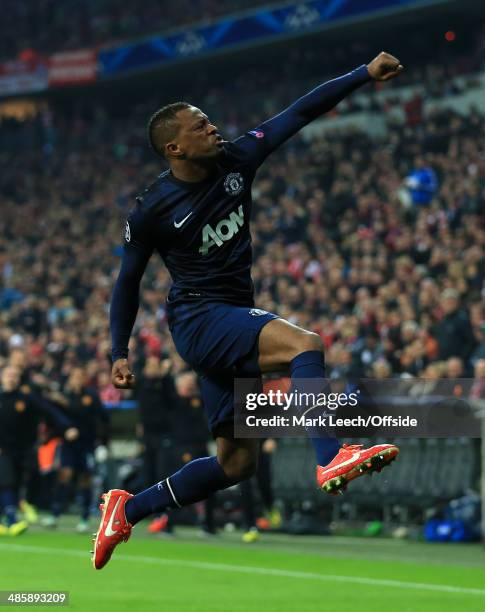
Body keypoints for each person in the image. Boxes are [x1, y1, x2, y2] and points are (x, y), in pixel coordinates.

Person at [93, 52, 403, 569]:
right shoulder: (152, 210)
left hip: (229, 316)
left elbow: (299, 113)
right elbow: (127, 282)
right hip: (199, 317)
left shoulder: (237, 160)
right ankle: (331, 457)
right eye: (200, 125)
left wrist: (362, 74)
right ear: (175, 147)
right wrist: (117, 351)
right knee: (307, 344)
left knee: (237, 463)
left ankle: (129, 507)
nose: (213, 128)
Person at [0, 365, 78, 536]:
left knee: (19, 483)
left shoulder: (27, 398)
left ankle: (6, 517)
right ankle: (12, 520)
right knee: (6, 481)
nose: (11, 378)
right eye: (8, 375)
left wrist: (67, 427)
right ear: (2, 377)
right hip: (3, 449)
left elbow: (50, 411)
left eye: (15, 375)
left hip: (24, 449)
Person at [44, 366, 109, 532]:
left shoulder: (90, 395)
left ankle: (85, 517)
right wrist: (64, 431)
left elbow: (103, 417)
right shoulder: (64, 396)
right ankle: (55, 513)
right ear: (71, 378)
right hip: (69, 443)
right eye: (75, 376)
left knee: (85, 478)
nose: (77, 379)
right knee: (65, 474)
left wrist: (102, 442)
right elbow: (55, 419)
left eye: (81, 376)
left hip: (87, 443)